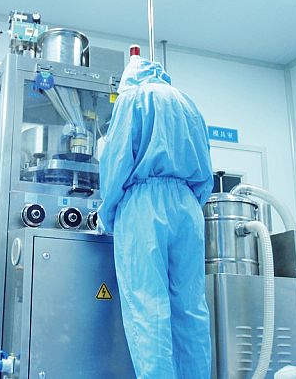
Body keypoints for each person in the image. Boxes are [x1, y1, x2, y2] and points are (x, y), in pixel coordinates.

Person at [98, 54, 214, 379]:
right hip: (188, 206)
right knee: (191, 308)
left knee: (149, 307)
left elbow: (117, 161)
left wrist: (107, 214)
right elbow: (205, 167)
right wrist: (189, 201)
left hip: (144, 204)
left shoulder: (132, 98)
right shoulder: (187, 103)